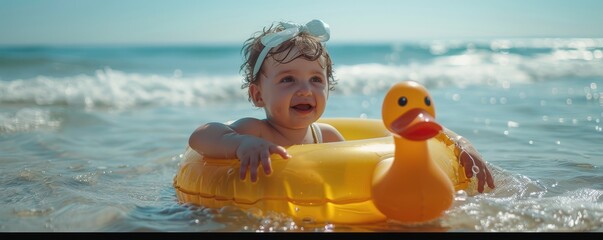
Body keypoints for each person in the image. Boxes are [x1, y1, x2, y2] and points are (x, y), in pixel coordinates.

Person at [188, 19, 495, 193]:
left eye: (316, 80)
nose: (305, 89)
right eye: (287, 80)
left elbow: (360, 178)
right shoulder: (255, 131)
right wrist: (240, 144)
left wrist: (457, 144)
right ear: (257, 96)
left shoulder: (328, 137)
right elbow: (201, 136)